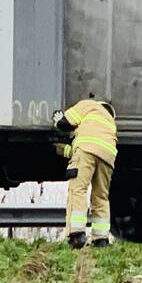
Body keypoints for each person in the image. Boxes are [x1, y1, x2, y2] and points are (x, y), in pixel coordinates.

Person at [53, 96, 117, 248]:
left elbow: (66, 123)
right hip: (108, 157)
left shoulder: (89, 105)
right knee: (101, 196)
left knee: (78, 190)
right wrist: (67, 151)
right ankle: (101, 239)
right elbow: (93, 144)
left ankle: (77, 234)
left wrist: (57, 120)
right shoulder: (110, 123)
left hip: (86, 151)